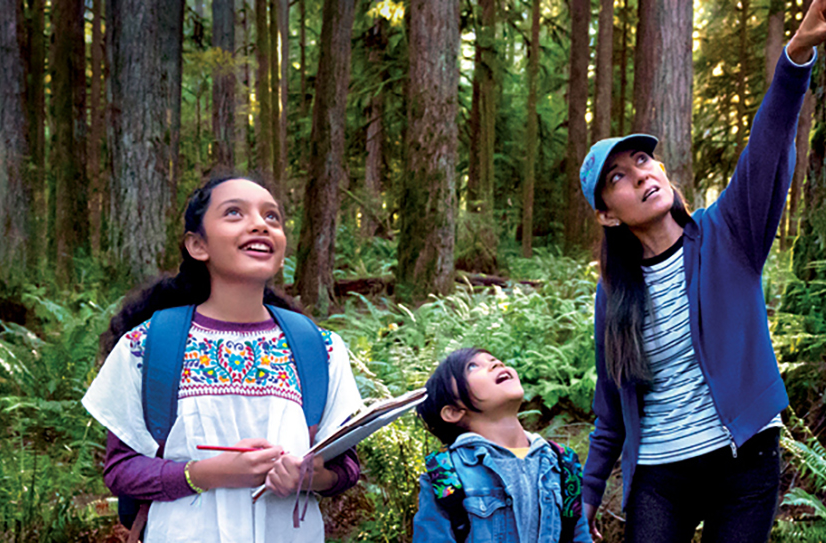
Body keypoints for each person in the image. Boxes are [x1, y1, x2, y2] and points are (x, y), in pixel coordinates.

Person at [577, 1, 826, 541]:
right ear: (607, 213)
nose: (639, 175)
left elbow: (768, 147)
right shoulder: (613, 296)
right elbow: (610, 406)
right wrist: (589, 492)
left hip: (744, 460)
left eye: (643, 162)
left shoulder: (730, 234)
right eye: (618, 177)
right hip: (659, 474)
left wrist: (796, 56)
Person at [82, 175, 366, 543]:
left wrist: (310, 477)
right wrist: (207, 473)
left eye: (272, 217)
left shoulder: (319, 348)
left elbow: (346, 466)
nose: (260, 224)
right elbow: (120, 470)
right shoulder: (149, 344)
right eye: (234, 213)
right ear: (198, 245)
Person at [413, 349, 591, 543]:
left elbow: (579, 536)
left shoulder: (562, 463)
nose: (497, 364)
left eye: (495, 360)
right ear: (454, 411)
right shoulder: (446, 475)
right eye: (472, 367)